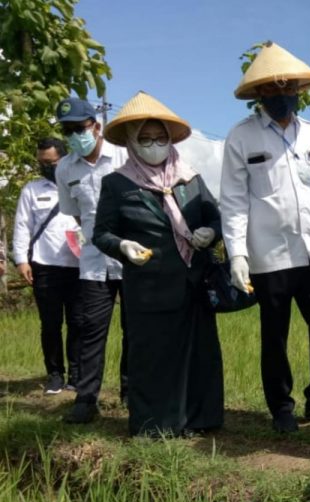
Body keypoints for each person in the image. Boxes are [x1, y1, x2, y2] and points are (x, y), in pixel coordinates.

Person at [220, 40, 310, 433]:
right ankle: (281, 406)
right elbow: (233, 201)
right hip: (269, 254)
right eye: (272, 90)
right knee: (274, 333)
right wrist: (237, 254)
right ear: (259, 93)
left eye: (287, 88)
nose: (281, 96)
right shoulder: (242, 137)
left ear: (298, 92)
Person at [92, 91, 224, 437]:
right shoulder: (118, 184)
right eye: (146, 139)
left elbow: (215, 216)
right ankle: (155, 425)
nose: (154, 145)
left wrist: (211, 231)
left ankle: (199, 419)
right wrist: (123, 245)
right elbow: (101, 234)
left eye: (160, 138)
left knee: (198, 356)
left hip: (193, 284)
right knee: (153, 357)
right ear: (133, 143)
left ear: (170, 140)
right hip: (148, 288)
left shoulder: (189, 179)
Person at [55, 97, 128, 423]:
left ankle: (132, 391)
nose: (74, 136)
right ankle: (86, 399)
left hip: (132, 257)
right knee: (89, 329)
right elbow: (72, 212)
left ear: (96, 126)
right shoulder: (65, 168)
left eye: (79, 128)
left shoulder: (124, 155)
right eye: (67, 131)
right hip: (94, 262)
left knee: (136, 328)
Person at [12, 137, 82, 394]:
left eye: (51, 163)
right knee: (50, 323)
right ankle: (55, 374)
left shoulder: (79, 183)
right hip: (44, 265)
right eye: (42, 163)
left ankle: (77, 374)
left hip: (78, 264)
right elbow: (22, 225)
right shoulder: (32, 189)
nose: (47, 168)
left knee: (78, 322)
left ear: (63, 159)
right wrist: (21, 259)